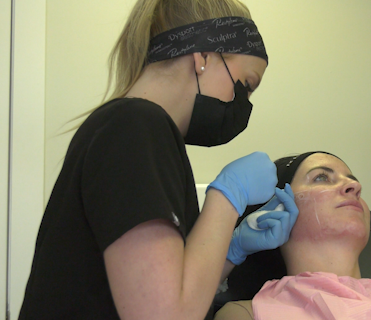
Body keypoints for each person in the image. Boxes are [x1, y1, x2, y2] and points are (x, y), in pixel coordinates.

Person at [18, 1, 298, 320]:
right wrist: (227, 197)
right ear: (203, 56)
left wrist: (231, 251)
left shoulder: (134, 128)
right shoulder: (134, 126)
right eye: (246, 85)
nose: (243, 105)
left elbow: (160, 288)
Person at [214, 151, 371, 320]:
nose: (355, 187)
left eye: (352, 181)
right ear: (277, 207)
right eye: (321, 177)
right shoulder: (247, 314)